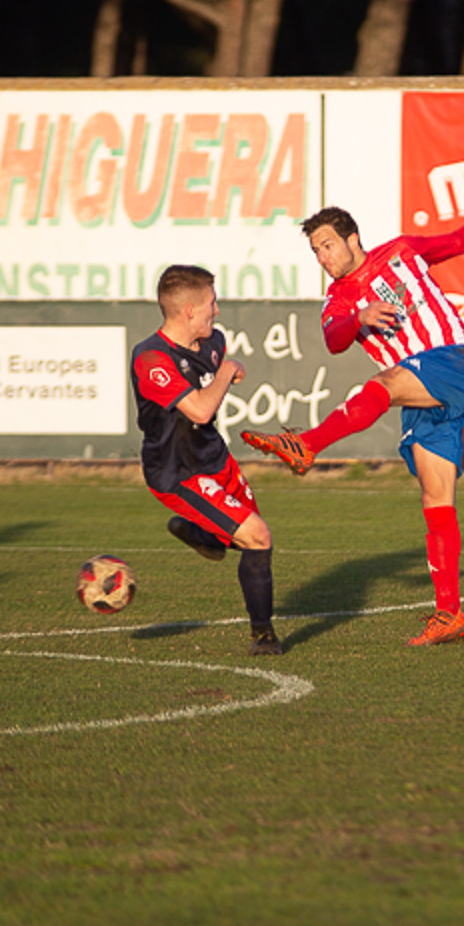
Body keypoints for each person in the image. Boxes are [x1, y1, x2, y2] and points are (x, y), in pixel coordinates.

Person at [240, 164, 464, 646]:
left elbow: (463, 240)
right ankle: (450, 615)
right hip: (423, 396)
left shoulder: (401, 251)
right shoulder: (337, 300)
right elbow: (335, 339)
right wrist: (359, 317)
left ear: (353, 239)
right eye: (316, 251)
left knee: (384, 382)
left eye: (328, 245)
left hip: (454, 362)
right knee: (436, 500)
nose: (323, 257)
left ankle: (307, 444)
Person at [132, 266, 283, 655]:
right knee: (257, 535)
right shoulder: (151, 358)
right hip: (177, 471)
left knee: (255, 544)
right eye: (211, 304)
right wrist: (229, 371)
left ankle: (200, 533)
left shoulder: (213, 341)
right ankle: (263, 637)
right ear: (189, 310)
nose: (217, 311)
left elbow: (210, 390)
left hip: (214, 457)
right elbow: (199, 410)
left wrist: (226, 369)